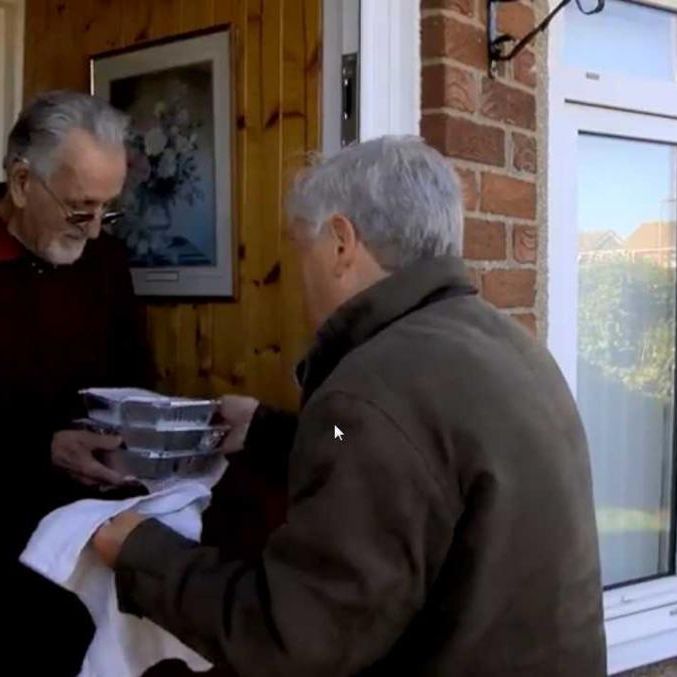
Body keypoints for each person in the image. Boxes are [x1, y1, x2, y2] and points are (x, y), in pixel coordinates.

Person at [94, 136, 606, 676]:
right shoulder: (506, 342)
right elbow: (404, 463)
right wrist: (265, 431)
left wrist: (140, 553)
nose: (298, 276)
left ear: (341, 242)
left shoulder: (374, 388)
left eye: (300, 248)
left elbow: (292, 639)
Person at [1, 90, 151, 675]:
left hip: (87, 545)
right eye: (79, 209)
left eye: (107, 210)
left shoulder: (108, 262)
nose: (93, 231)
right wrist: (40, 448)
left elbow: (136, 378)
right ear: (20, 182)